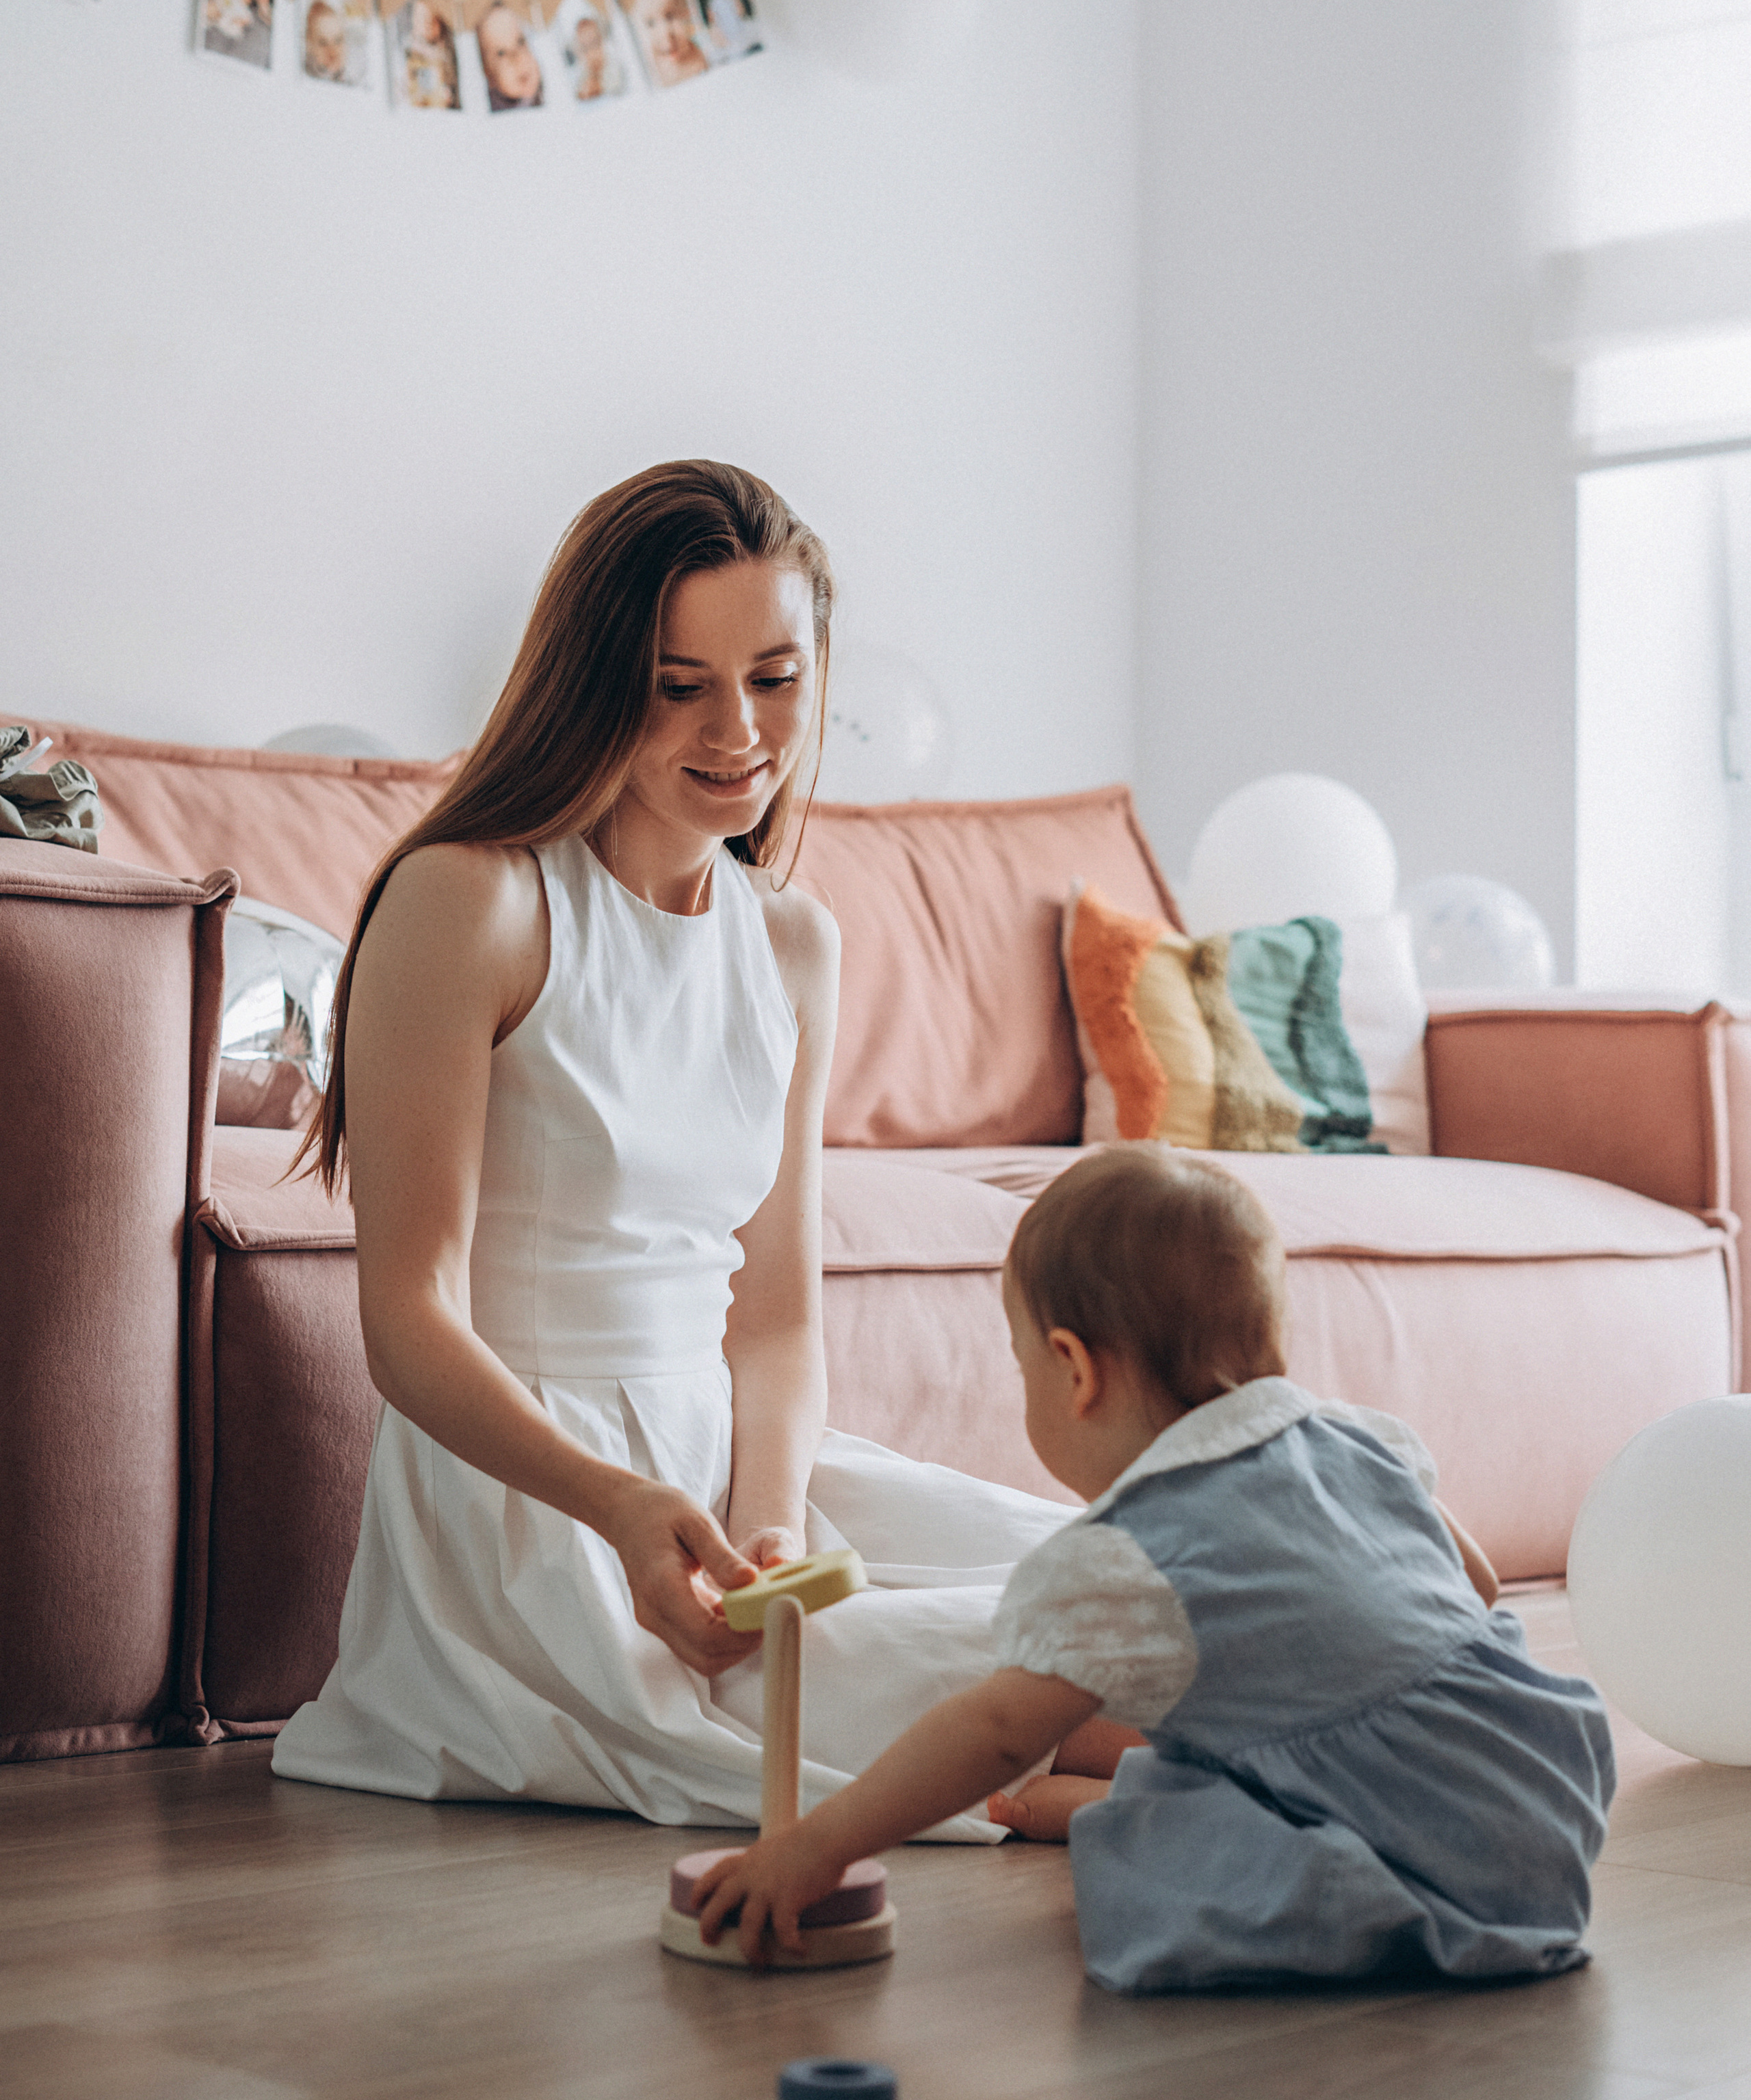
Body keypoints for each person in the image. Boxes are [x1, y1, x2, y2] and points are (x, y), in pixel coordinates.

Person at [272, 462, 1075, 1831]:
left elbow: (774, 1321)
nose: (739, 732)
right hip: (536, 1508)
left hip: (723, 1466)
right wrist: (625, 1510)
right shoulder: (470, 903)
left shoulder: (794, 942)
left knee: (1155, 1591)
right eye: (678, 684)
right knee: (1066, 1687)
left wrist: (769, 1525)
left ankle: (1226, 1810)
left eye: (775, 677)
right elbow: (408, 1326)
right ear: (593, 683)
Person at [696, 1146, 1617, 1989]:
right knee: (1223, 1749)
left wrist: (813, 1849)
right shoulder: (1356, 1438)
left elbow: (997, 1730)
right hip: (1543, 1800)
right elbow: (1476, 1586)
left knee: (1151, 1864)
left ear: (1074, 1369)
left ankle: (1108, 1816)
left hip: (1426, 1856)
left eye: (1023, 1368)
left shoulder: (1129, 1555)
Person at [631, 0, 708, 88]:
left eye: (670, 17)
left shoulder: (704, 56)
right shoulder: (648, 76)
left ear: (687, 15)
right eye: (651, 24)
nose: (665, 33)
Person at [477, 0, 544, 111]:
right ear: (488, 73)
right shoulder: (494, 109)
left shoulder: (549, 91)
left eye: (520, 42)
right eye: (501, 53)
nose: (517, 58)